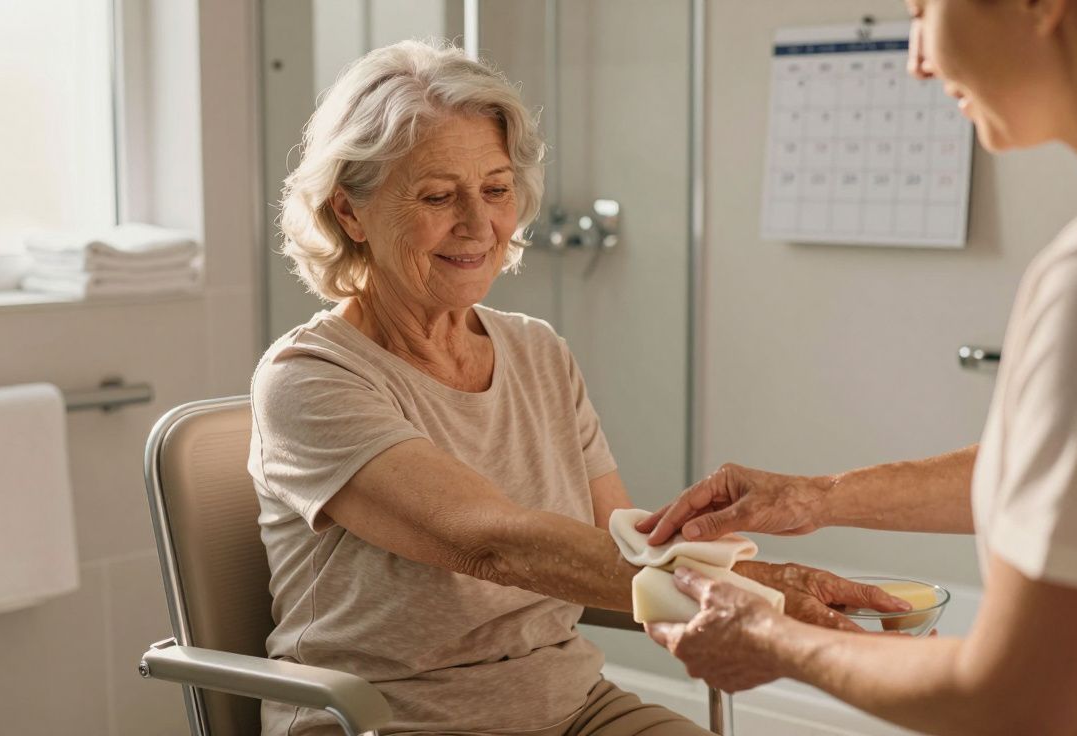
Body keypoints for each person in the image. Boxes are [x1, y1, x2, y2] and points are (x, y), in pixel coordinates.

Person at [249, 40, 901, 736]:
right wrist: (767, 597)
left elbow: (621, 551)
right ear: (350, 213)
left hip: (570, 706)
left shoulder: (537, 352)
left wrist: (752, 590)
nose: (478, 224)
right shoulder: (308, 379)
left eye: (496, 189)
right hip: (390, 720)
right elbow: (493, 545)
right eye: (438, 196)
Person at [639, 0, 1077, 733]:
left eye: (924, 9)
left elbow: (1015, 699)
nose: (917, 58)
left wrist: (772, 640)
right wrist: (818, 497)